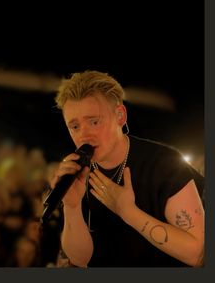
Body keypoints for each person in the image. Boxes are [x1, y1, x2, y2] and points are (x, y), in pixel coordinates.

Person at [50, 70, 204, 267]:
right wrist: (72, 207)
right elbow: (81, 259)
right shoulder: (77, 173)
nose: (84, 135)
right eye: (74, 126)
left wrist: (128, 212)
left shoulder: (164, 164)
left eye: (94, 122)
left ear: (120, 116)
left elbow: (197, 253)